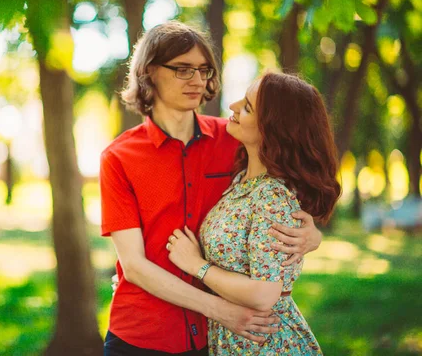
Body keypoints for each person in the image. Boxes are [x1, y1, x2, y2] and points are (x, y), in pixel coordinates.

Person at [100, 21, 323, 355]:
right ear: (149, 72)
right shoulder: (119, 158)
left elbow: (289, 184)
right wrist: (219, 310)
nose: (198, 80)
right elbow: (134, 266)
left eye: (204, 70)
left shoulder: (236, 139)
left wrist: (312, 236)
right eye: (183, 69)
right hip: (144, 335)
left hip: (216, 339)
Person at [166, 73, 341, 354]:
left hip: (266, 343)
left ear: (273, 129)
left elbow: (265, 294)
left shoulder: (272, 196)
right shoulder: (242, 181)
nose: (233, 106)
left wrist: (196, 265)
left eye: (247, 107)